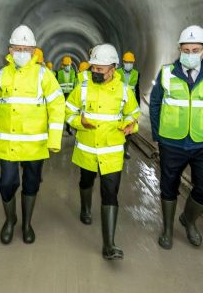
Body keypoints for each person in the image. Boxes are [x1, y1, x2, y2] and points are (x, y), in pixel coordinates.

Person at [149, 25, 203, 250]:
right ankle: (167, 229)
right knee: (169, 186)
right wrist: (157, 135)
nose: (190, 54)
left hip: (202, 142)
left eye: (195, 50)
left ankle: (188, 219)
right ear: (179, 50)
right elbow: (155, 104)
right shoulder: (167, 73)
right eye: (186, 50)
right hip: (171, 142)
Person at [0, 25, 65, 245]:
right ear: (9, 50)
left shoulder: (43, 75)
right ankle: (10, 220)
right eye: (17, 48)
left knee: (31, 184)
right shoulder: (1, 76)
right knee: (7, 183)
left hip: (35, 146)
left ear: (33, 51)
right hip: (8, 145)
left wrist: (54, 140)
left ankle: (27, 223)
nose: (21, 52)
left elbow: (58, 105)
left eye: (25, 49)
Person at [65, 44, 140, 260]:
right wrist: (79, 122)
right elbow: (67, 110)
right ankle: (85, 208)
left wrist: (130, 126)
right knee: (86, 181)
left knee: (110, 193)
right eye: (93, 68)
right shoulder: (84, 87)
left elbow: (133, 114)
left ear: (113, 69)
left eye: (100, 69)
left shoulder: (124, 91)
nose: (95, 72)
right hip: (87, 150)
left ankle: (109, 245)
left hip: (112, 152)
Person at [117, 51, 141, 159]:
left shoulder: (136, 74)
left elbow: (137, 90)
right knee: (118, 128)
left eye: (130, 62)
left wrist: (138, 105)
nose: (128, 64)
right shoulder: (116, 73)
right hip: (118, 105)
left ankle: (125, 150)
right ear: (123, 62)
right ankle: (117, 149)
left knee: (130, 129)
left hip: (130, 106)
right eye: (127, 62)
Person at [57, 55, 77, 135]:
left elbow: (75, 84)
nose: (67, 66)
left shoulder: (73, 73)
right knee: (61, 113)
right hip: (61, 96)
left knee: (69, 112)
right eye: (66, 65)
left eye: (68, 65)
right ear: (63, 65)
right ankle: (60, 128)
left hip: (70, 96)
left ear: (71, 64)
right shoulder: (59, 73)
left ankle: (68, 128)